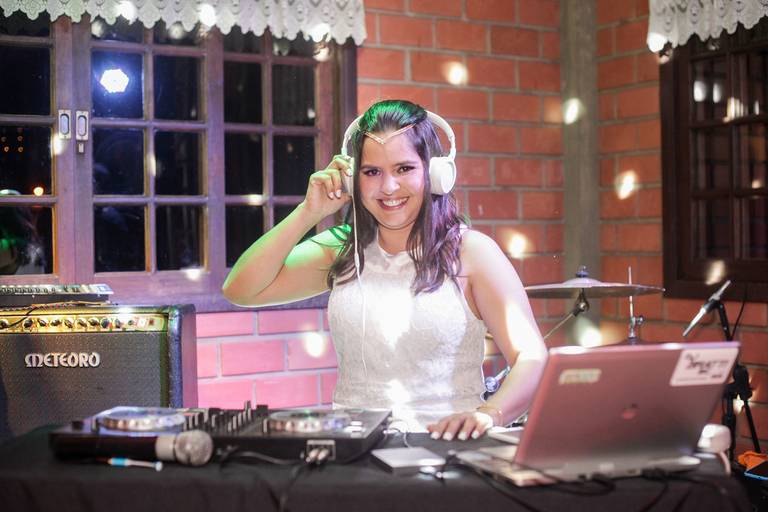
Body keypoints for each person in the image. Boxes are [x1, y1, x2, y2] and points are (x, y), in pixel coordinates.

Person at [222, 99, 547, 440]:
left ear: (435, 173)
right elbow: (240, 289)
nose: (388, 187)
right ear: (352, 179)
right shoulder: (341, 248)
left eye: (404, 168)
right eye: (372, 172)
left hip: (446, 450)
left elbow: (531, 356)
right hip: (354, 452)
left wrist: (490, 415)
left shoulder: (472, 253)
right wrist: (308, 212)